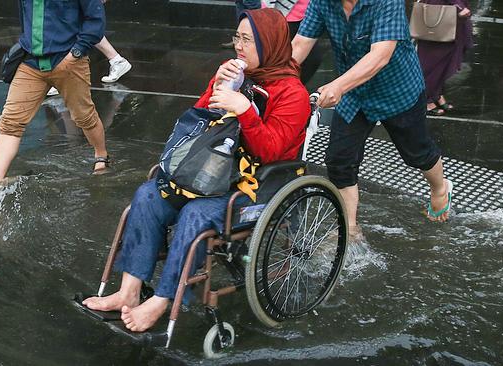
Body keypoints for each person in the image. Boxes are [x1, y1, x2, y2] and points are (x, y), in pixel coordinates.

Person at [82, 8, 310, 332]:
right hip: (213, 172)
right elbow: (198, 123)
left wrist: (245, 110)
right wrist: (218, 85)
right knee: (148, 195)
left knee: (196, 214)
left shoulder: (293, 94)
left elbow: (270, 151)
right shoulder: (240, 76)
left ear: (269, 44)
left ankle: (164, 300)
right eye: (237, 38)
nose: (238, 46)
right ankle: (128, 291)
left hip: (256, 188)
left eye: (247, 40)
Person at [291, 0, 453, 237]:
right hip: (354, 91)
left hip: (397, 89)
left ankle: (440, 188)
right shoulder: (323, 2)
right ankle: (349, 230)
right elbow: (300, 43)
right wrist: (269, 78)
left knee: (417, 153)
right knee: (339, 161)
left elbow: (380, 55)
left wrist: (338, 86)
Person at [0, 0, 109, 196]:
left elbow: (95, 21)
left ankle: (101, 156)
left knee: (84, 117)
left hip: (69, 61)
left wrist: (75, 54)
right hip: (30, 63)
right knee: (10, 122)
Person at [417, 0, 473, 116]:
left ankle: (436, 95)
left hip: (444, 13)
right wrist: (459, 6)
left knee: (442, 60)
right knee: (434, 61)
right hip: (440, 15)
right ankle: (427, 101)